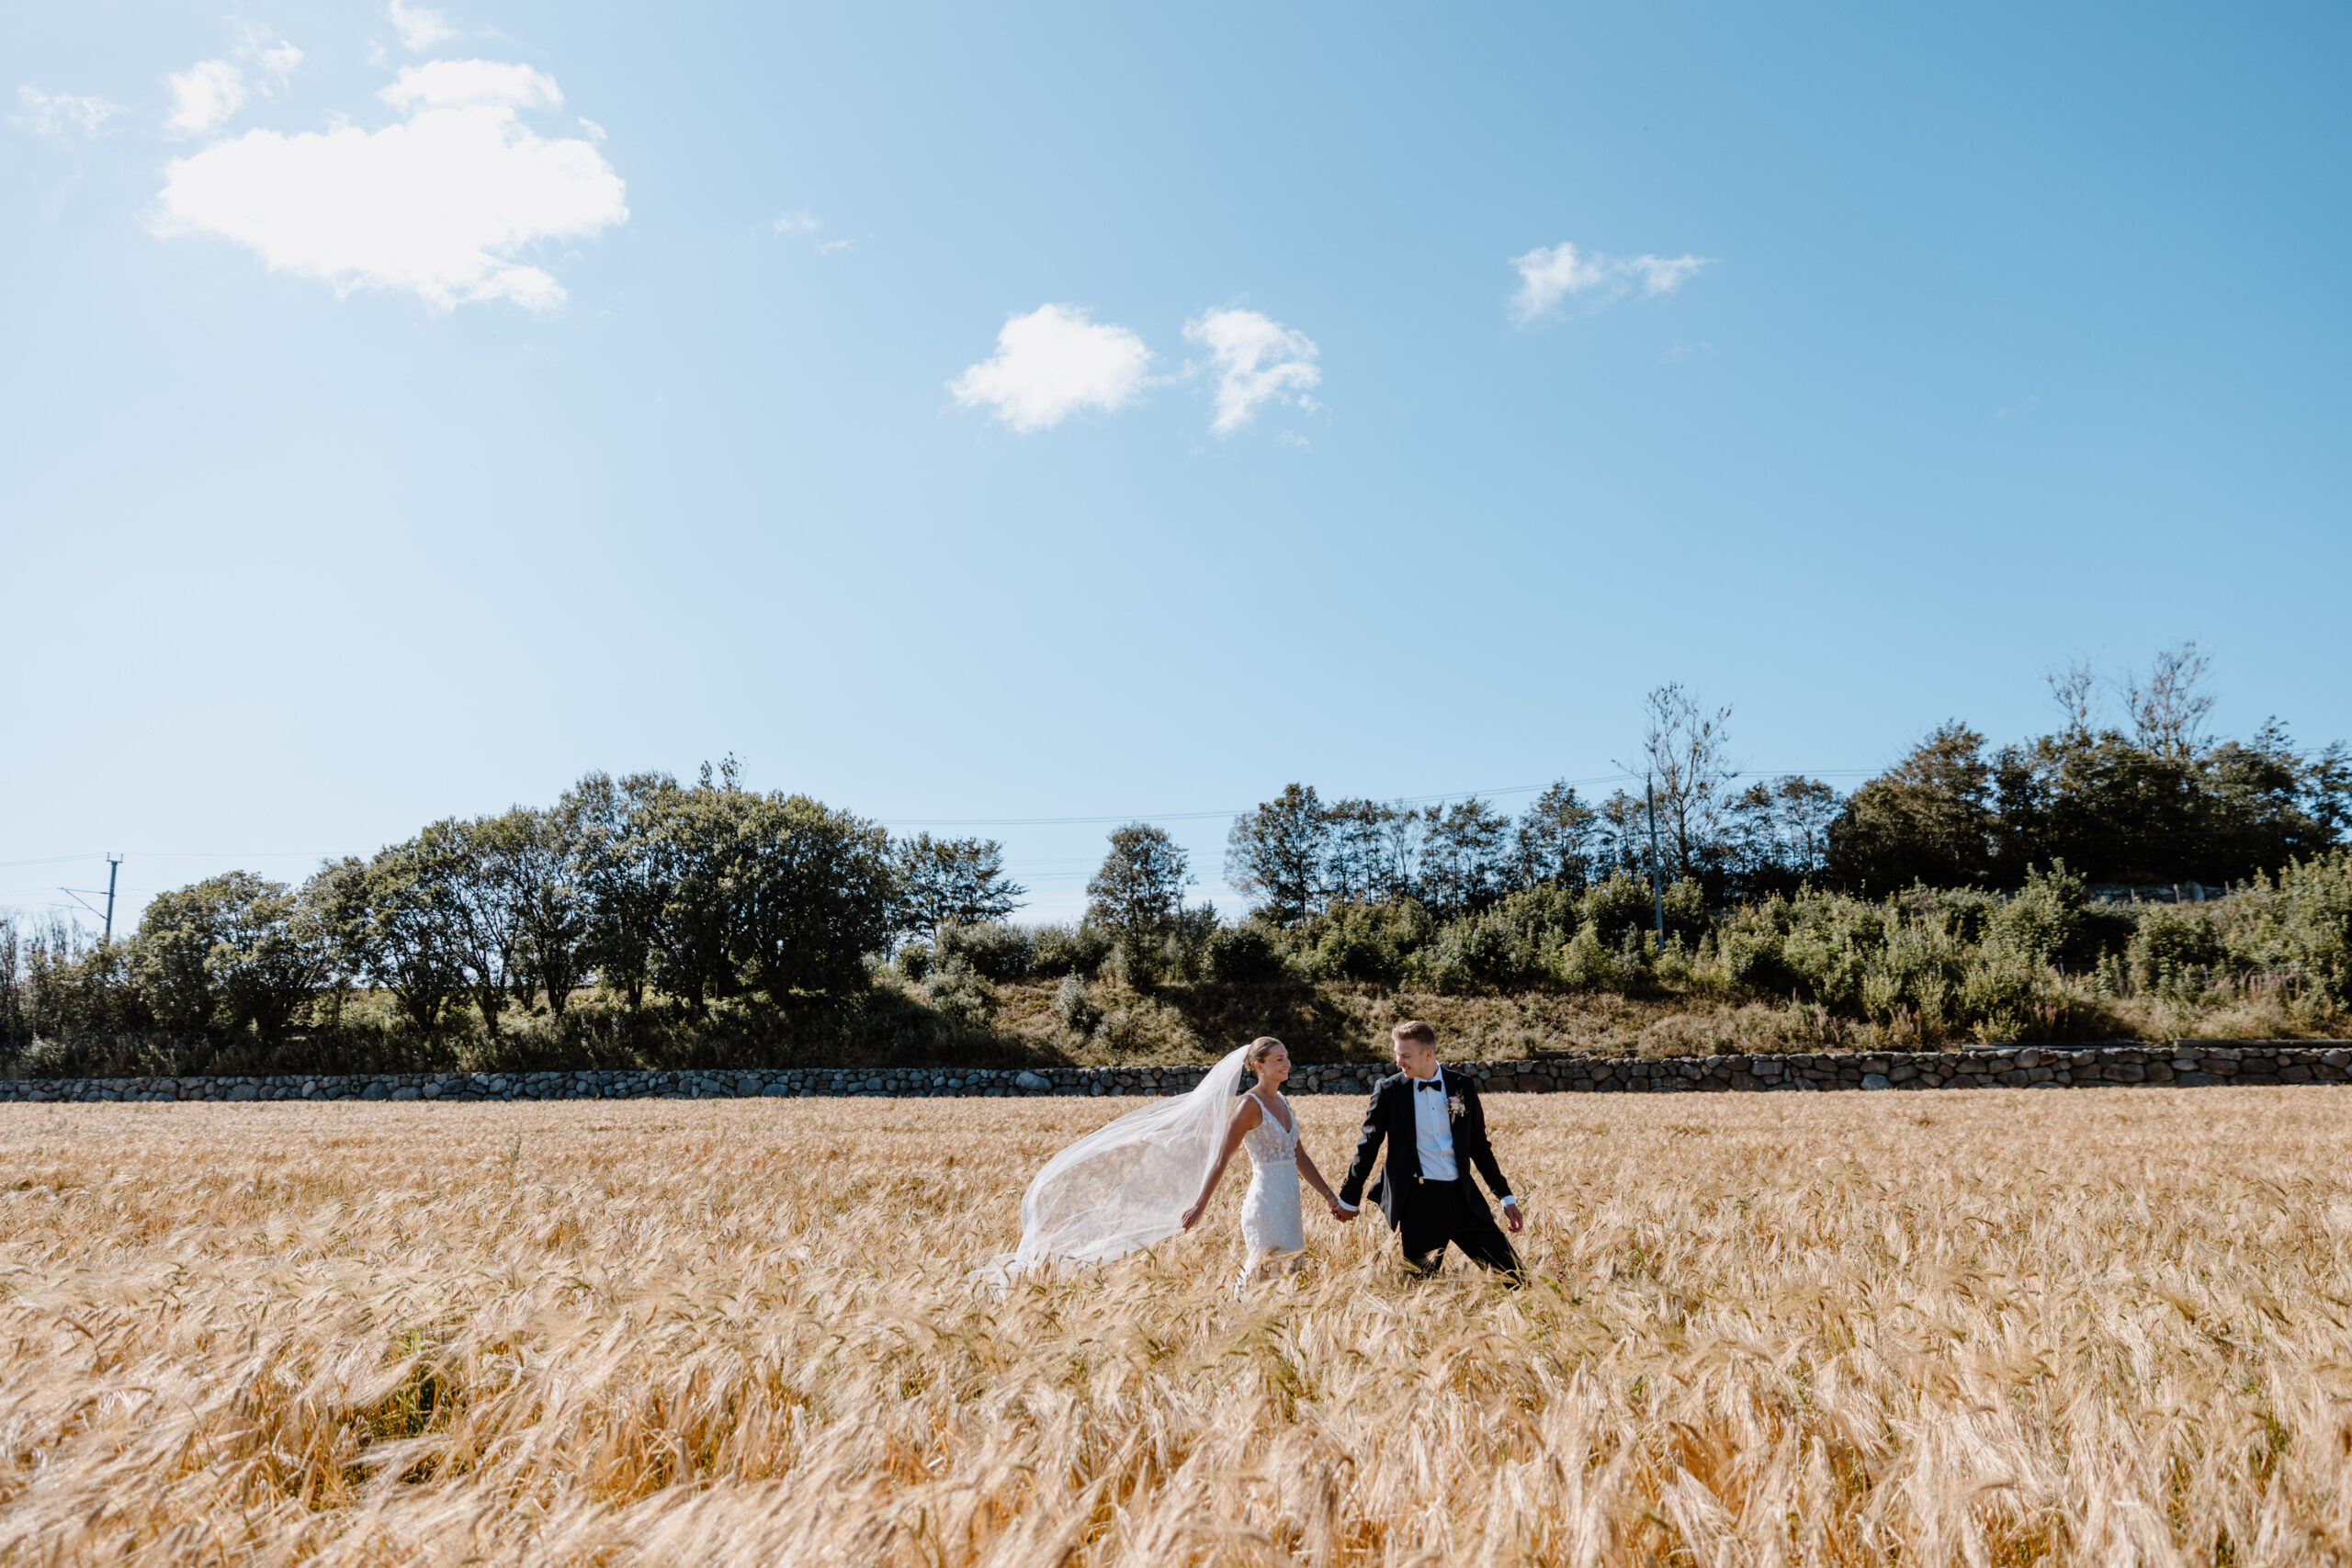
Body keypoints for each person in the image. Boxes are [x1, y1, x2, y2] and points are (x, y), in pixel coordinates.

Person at [1333, 1020, 1525, 1283]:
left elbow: (1479, 1146)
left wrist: (1505, 1196)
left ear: (1428, 1054)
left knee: (1515, 1279)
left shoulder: (1461, 1086)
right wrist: (1348, 1199)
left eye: (1405, 1055)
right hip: (1419, 1203)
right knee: (1420, 1288)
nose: (1399, 1061)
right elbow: (1368, 1146)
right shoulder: (1390, 1091)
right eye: (1397, 1053)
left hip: (1464, 1199)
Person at [1180, 1037, 1344, 1295]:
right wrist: (1200, 1205)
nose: (1287, 1063)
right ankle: (1236, 1318)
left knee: (1290, 1277)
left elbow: (1298, 1154)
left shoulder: (1282, 1101)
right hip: (1266, 1204)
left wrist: (1329, 1196)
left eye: (1287, 1057)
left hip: (1289, 1204)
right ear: (1259, 1066)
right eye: (1278, 1059)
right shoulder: (1248, 1105)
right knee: (1263, 1275)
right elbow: (1222, 1158)